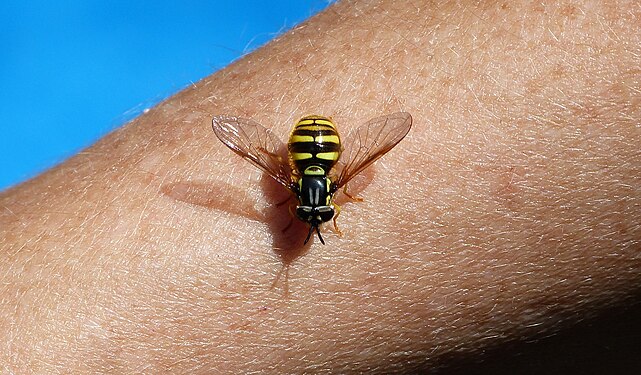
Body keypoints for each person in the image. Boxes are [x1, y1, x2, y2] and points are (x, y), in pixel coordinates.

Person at [1, 1, 639, 373]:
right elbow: (338, 154)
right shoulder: (319, 182)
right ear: (324, 196)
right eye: (317, 214)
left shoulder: (288, 182)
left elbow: (315, 153)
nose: (308, 220)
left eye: (312, 215)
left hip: (308, 145)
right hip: (315, 143)